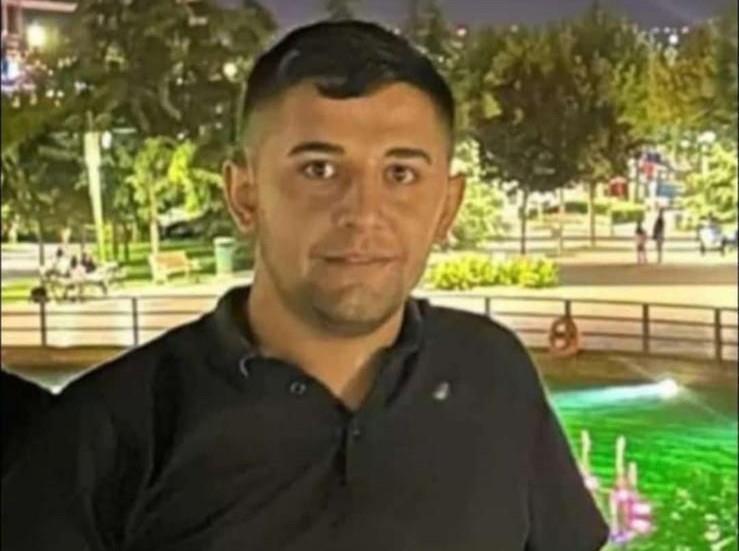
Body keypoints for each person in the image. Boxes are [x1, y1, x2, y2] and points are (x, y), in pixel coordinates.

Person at [1, 21, 609, 551]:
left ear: (447, 205)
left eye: (401, 173)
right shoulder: (111, 431)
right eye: (319, 169)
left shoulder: (492, 373)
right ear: (244, 194)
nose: (363, 212)